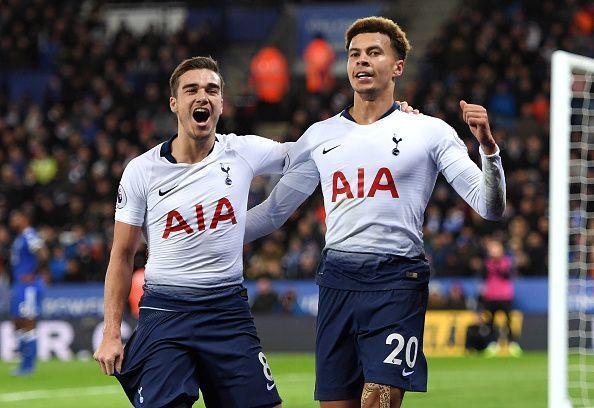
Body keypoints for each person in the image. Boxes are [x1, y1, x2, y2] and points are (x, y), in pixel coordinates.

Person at [245, 16, 506, 408]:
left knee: (377, 401)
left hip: (397, 279)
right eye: (354, 54)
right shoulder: (320, 136)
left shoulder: (429, 131)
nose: (361, 61)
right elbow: (273, 212)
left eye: (373, 53)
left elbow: (490, 207)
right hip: (336, 280)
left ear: (397, 67)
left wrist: (487, 148)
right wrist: (212, 233)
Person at [93, 56, 287, 408]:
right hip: (166, 313)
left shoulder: (242, 151)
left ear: (221, 103)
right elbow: (121, 255)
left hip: (226, 309)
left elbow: (308, 155)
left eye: (212, 90)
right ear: (175, 103)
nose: (203, 96)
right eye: (191, 90)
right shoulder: (142, 170)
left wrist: (384, 117)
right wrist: (111, 334)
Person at [9, 208, 48, 376]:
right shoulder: (19, 237)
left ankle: (28, 365)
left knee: (28, 322)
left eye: (16, 217)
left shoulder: (30, 234)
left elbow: (42, 253)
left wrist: (34, 273)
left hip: (29, 285)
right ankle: (23, 362)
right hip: (20, 285)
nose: (13, 220)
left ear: (24, 218)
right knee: (17, 321)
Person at [481, 238, 522, 357]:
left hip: (504, 296)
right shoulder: (487, 263)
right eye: (492, 248)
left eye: (496, 248)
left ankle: (512, 344)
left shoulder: (506, 262)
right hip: (491, 296)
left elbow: (506, 275)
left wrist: (496, 265)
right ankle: (493, 344)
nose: (494, 251)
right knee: (491, 322)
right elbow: (483, 277)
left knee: (508, 321)